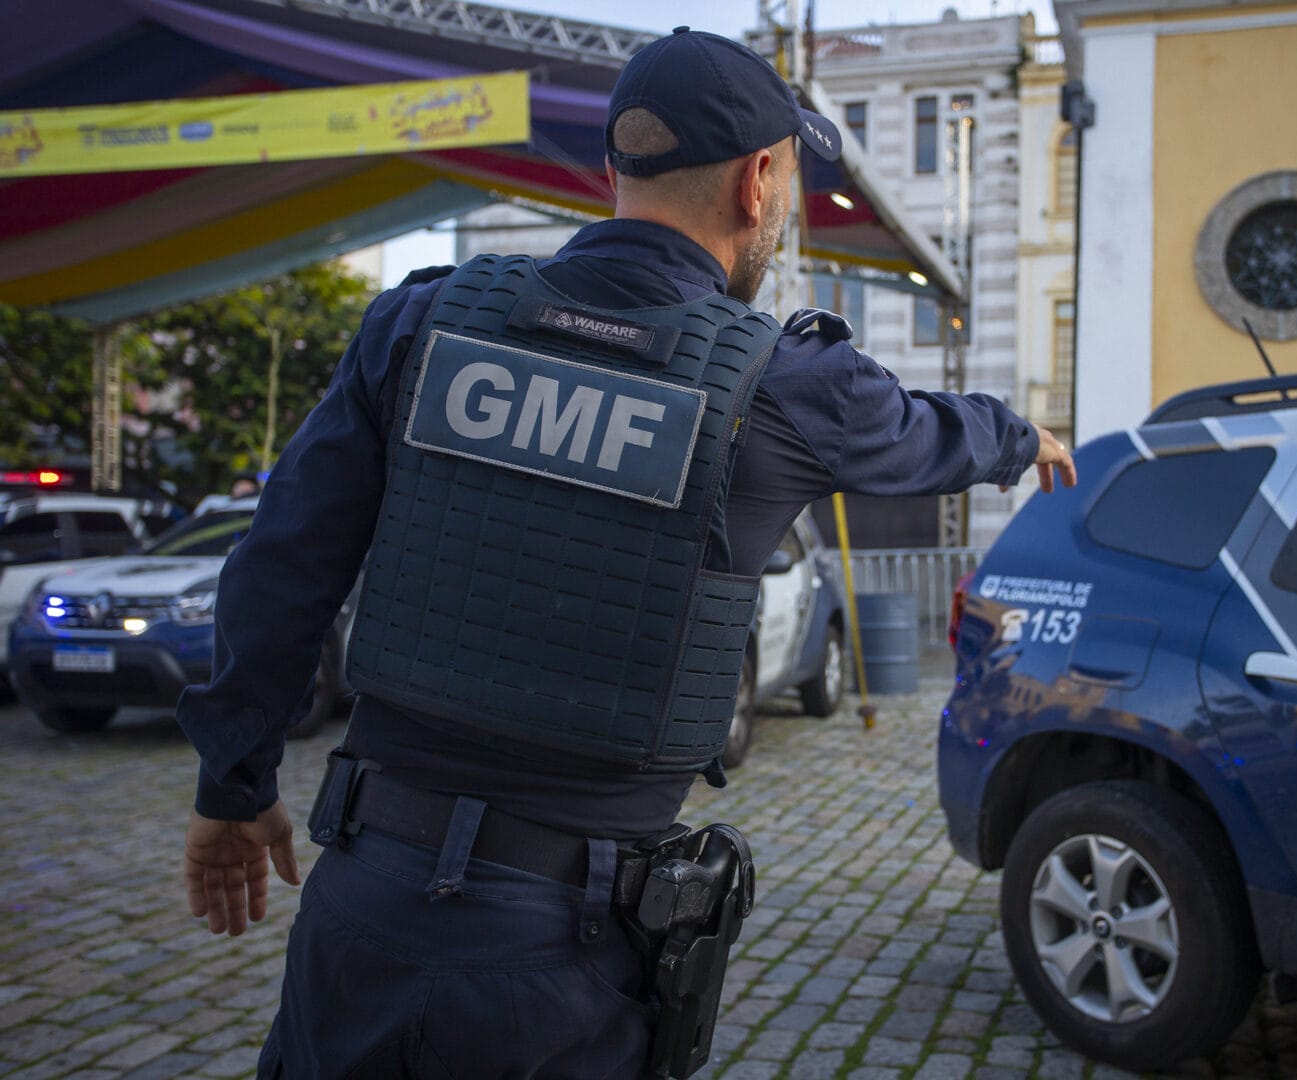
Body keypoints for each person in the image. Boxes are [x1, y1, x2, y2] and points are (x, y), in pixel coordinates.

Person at [178, 25, 1076, 1079]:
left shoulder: (422, 324)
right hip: (565, 957)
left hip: (361, 905)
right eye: (788, 183)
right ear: (758, 182)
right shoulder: (787, 388)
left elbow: (278, 570)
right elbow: (932, 436)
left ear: (616, 170)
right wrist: (1025, 439)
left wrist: (233, 790)